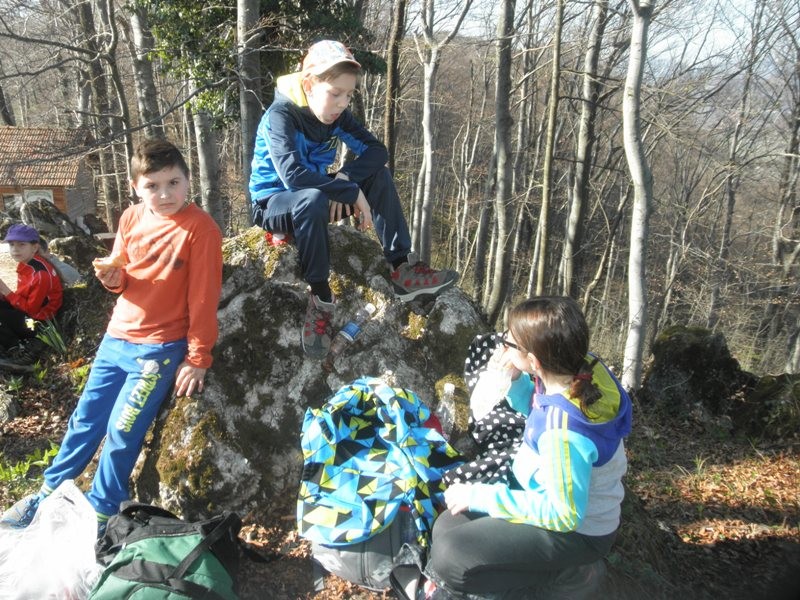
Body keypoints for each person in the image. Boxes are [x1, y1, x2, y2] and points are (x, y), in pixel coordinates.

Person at [0, 139, 224, 535]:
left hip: (158, 347)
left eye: (173, 182)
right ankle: (49, 493)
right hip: (116, 337)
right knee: (86, 420)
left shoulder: (200, 229)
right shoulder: (130, 219)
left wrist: (198, 356)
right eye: (152, 185)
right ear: (135, 186)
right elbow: (122, 274)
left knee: (123, 429)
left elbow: (203, 297)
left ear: (188, 180)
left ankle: (102, 511)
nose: (164, 194)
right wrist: (113, 279)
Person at [249, 39, 458, 358]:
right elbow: (292, 176)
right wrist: (348, 192)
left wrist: (347, 178)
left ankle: (402, 269)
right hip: (273, 204)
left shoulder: (337, 116)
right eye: (335, 94)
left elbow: (377, 151)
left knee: (378, 175)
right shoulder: (281, 116)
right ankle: (320, 299)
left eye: (349, 95)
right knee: (311, 198)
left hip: (316, 198)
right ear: (309, 85)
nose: (342, 103)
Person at [425, 296, 632, 598]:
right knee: (447, 526)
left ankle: (567, 578)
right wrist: (516, 381)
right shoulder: (575, 370)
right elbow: (538, 413)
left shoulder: (565, 432)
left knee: (451, 557)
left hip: (579, 532)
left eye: (509, 343)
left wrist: (481, 495)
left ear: (534, 361)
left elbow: (563, 514)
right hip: (543, 498)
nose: (502, 345)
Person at [0, 223, 63, 366]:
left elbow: (30, 310)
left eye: (21, 245)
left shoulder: (40, 275)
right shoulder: (26, 263)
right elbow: (23, 297)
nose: (15, 250)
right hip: (27, 314)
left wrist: (6, 291)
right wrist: (4, 296)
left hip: (37, 325)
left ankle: (17, 348)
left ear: (34, 247)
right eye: (11, 245)